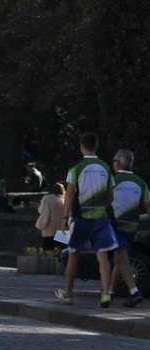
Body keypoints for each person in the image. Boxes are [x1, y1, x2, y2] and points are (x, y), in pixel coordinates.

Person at [60, 131, 120, 307]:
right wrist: (105, 207)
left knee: (73, 253)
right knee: (103, 256)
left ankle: (68, 293)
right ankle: (105, 293)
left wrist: (65, 216)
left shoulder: (76, 168)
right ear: (97, 146)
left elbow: (69, 194)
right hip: (101, 218)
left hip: (83, 217)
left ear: (81, 147)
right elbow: (111, 194)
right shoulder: (105, 167)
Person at [109, 149, 145, 305]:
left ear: (117, 163)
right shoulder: (140, 182)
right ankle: (109, 293)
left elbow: (104, 201)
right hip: (132, 226)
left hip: (115, 225)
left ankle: (134, 290)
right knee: (120, 259)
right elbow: (148, 205)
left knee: (121, 258)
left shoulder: (112, 180)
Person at [35, 181, 69, 254]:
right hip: (62, 231)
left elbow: (40, 210)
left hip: (49, 230)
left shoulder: (47, 199)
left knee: (49, 250)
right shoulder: (66, 200)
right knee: (62, 250)